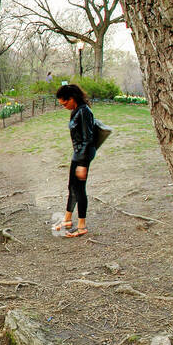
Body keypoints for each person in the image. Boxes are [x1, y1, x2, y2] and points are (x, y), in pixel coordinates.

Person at [54, 82, 109, 238]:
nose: (64, 106)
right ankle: (67, 220)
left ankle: (82, 225)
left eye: (65, 103)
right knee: (72, 186)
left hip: (83, 155)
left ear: (72, 98)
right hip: (77, 153)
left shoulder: (84, 112)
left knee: (79, 189)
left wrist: (82, 165)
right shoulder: (76, 110)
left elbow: (87, 139)